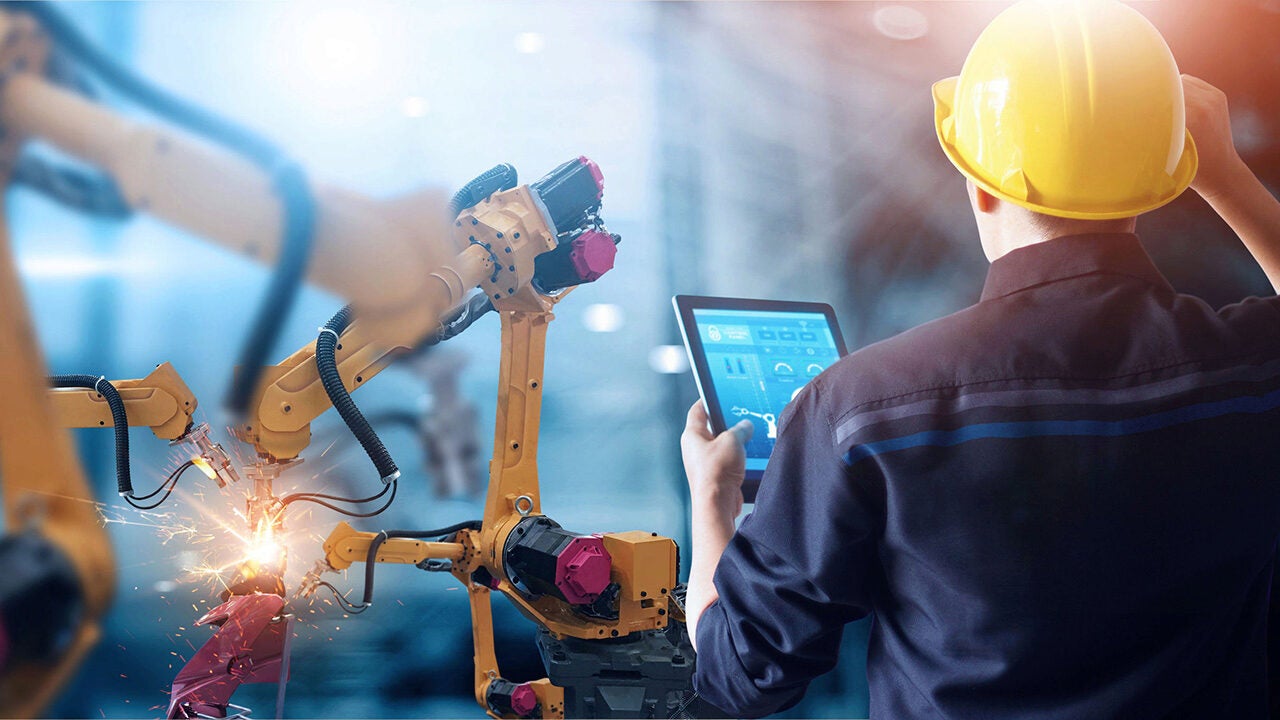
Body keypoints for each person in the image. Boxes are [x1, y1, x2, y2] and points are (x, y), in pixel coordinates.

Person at [680, 1, 1280, 718]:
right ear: (1166, 176)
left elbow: (739, 674)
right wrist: (1226, 177)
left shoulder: (860, 407)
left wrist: (712, 506)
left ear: (980, 181)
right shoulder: (1248, 367)